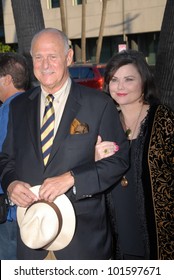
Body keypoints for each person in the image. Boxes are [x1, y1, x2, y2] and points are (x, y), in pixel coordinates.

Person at [0, 28, 129, 260]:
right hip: (32, 239)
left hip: (83, 242)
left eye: (53, 56)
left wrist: (73, 178)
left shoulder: (98, 104)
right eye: (38, 57)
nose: (45, 64)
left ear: (68, 57)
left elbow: (118, 160)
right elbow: (6, 159)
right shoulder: (19, 107)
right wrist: (10, 184)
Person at [95, 49, 174, 260]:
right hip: (117, 233)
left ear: (144, 82)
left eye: (129, 79)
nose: (120, 87)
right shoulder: (104, 123)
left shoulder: (164, 119)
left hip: (160, 235)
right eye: (114, 80)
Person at [0, 52, 30, 259]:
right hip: (33, 207)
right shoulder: (36, 104)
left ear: (7, 79)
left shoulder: (7, 110)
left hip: (9, 212)